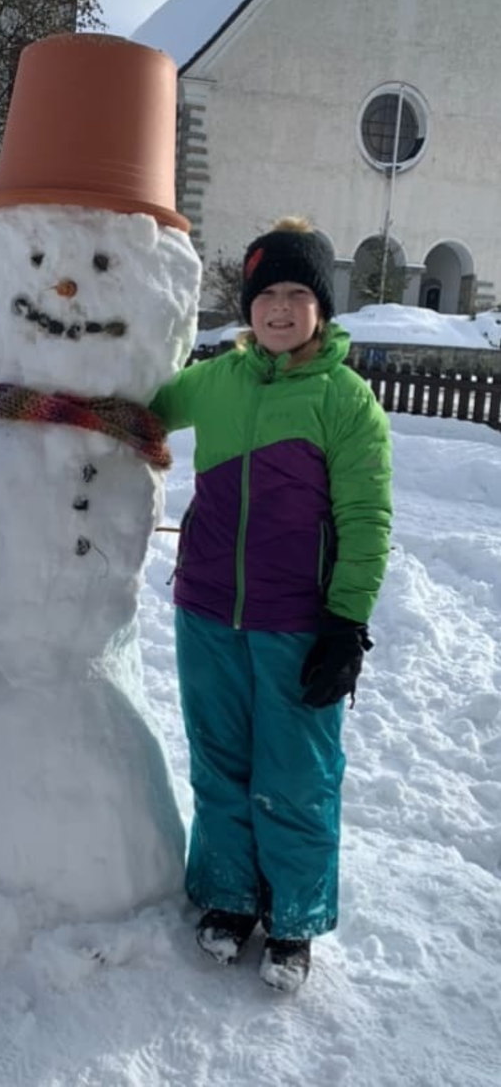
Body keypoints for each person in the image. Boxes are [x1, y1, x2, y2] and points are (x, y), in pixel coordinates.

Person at [150, 218, 392, 992]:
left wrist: (347, 624)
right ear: (248, 305)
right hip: (208, 609)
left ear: (322, 306)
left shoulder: (346, 402)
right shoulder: (217, 382)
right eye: (266, 295)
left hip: (298, 621)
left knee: (296, 773)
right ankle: (227, 899)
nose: (280, 309)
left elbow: (366, 520)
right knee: (220, 762)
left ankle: (294, 919)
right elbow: (142, 408)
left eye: (297, 294)